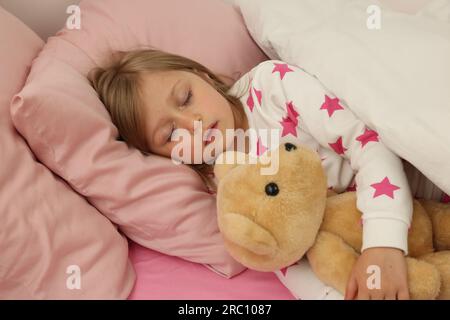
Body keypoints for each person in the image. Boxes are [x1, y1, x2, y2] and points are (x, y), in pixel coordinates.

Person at [89, 48, 448, 300]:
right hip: (357, 245)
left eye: (185, 98)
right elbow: (280, 256)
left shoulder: (271, 88)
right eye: (170, 135)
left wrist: (384, 243)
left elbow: (366, 142)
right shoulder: (222, 181)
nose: (193, 124)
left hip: (420, 186)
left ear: (202, 77)